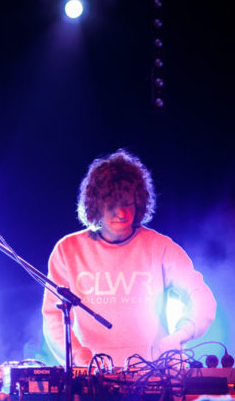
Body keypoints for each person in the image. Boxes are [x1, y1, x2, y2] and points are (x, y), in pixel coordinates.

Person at [42, 148, 216, 367]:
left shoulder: (161, 247)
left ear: (138, 203)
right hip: (92, 375)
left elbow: (201, 297)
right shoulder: (68, 250)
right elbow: (53, 316)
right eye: (112, 205)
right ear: (96, 205)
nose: (122, 213)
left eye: (127, 204)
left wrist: (182, 333)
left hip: (155, 373)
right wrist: (78, 357)